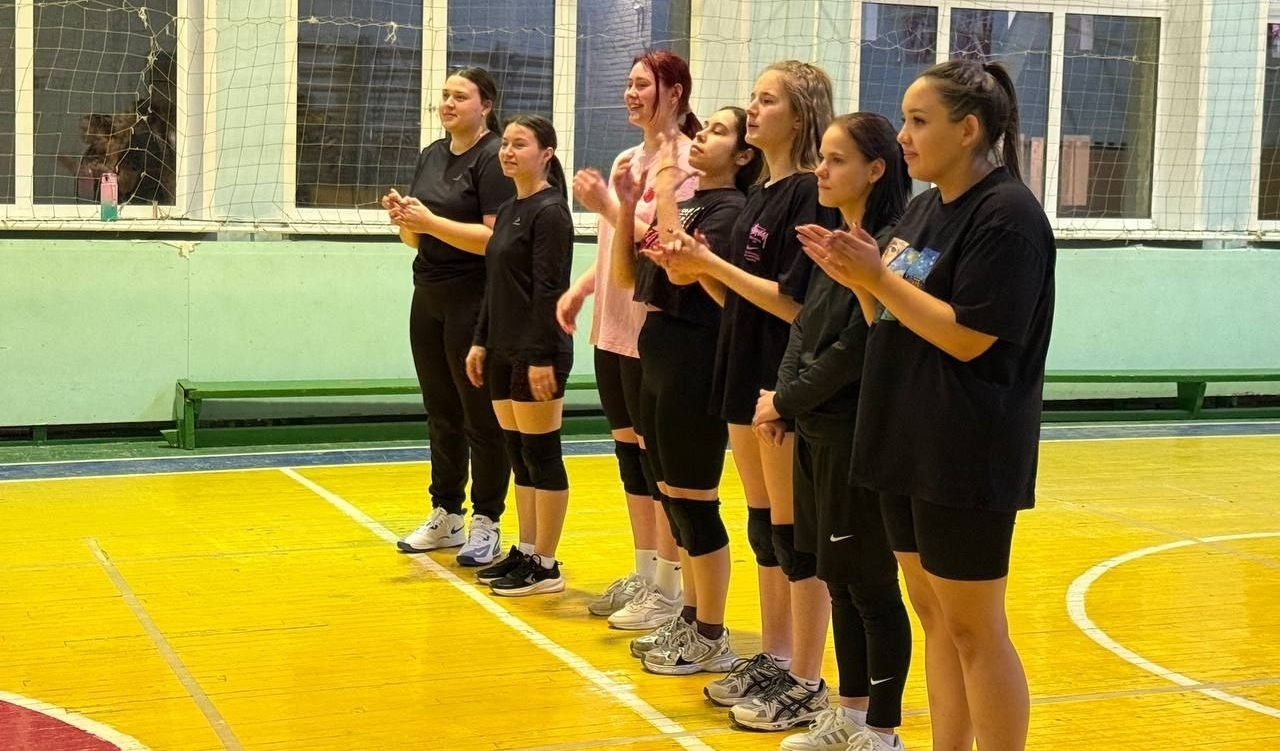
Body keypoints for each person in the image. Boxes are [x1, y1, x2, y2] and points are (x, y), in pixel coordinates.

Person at [799, 60, 1056, 751]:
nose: (904, 136)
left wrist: (877, 277)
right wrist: (858, 281)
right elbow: (889, 317)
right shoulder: (923, 209)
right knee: (936, 616)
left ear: (967, 130)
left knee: (976, 626)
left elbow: (969, 337)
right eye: (905, 120)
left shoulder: (1008, 217)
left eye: (919, 121)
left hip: (965, 447)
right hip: (904, 437)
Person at [641, 61, 840, 712]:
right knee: (765, 527)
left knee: (795, 533)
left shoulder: (809, 193)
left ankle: (805, 676)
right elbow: (739, 299)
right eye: (752, 98)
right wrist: (696, 271)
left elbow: (796, 304)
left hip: (779, 377)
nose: (753, 108)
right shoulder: (762, 193)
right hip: (741, 368)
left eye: (767, 99)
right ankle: (776, 656)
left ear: (801, 115)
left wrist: (709, 263)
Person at [758, 113, 912, 751]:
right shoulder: (836, 240)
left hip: (857, 434)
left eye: (836, 159)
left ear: (875, 169)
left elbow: (859, 347)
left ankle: (883, 730)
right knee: (839, 579)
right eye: (821, 157)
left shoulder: (894, 246)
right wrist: (784, 404)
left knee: (871, 585)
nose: (820, 170)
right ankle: (849, 715)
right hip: (816, 431)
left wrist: (785, 399)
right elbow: (803, 328)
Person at [607, 108, 762, 672]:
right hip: (659, 348)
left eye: (718, 132)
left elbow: (681, 267)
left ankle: (712, 633)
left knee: (696, 501)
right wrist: (630, 205)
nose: (702, 136)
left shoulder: (730, 209)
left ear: (743, 156)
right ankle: (692, 617)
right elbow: (630, 277)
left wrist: (667, 187)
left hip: (696, 356)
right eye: (705, 127)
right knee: (670, 495)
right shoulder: (694, 203)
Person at [557, 50, 701, 629]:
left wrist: (611, 204)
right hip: (613, 327)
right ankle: (645, 573)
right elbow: (616, 245)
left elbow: (668, 244)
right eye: (629, 83)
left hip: (654, 329)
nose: (630, 93)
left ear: (675, 92)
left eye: (642, 84)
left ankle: (670, 582)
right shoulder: (626, 159)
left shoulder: (686, 162)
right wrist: (581, 289)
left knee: (659, 463)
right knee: (630, 459)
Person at [382, 68, 512, 567]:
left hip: (473, 299)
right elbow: (416, 239)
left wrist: (431, 221)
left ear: (486, 106)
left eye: (461, 96)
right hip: (428, 293)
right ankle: (447, 513)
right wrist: (406, 221)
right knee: (441, 409)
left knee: (480, 414)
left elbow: (494, 240)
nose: (449, 103)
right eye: (445, 95)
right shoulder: (432, 154)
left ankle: (487, 520)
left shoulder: (493, 158)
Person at [464, 115, 575, 597]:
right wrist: (480, 340)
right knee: (519, 455)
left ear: (546, 154)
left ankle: (546, 564)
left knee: (542, 455)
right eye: (504, 144)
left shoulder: (551, 212)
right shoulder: (510, 206)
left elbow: (549, 289)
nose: (507, 152)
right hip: (502, 350)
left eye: (519, 144)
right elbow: (496, 285)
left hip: (538, 353)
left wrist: (541, 356)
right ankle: (526, 550)